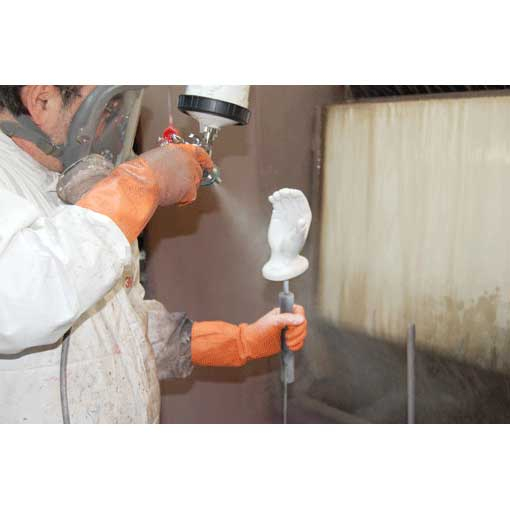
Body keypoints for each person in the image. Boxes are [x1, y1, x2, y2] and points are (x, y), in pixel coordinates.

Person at [0, 85, 308, 423]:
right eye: (108, 107)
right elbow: (18, 300)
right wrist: (142, 184)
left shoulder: (82, 188)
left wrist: (239, 342)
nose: (115, 123)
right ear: (42, 100)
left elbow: (122, 327)